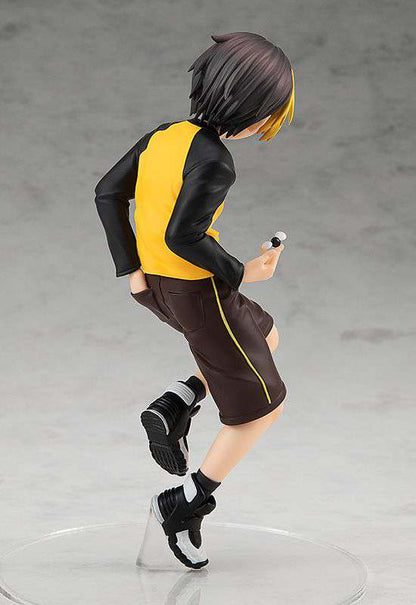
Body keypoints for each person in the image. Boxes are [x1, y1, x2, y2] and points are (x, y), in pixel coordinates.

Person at [94, 31, 295, 569]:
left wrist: (131, 270)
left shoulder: (163, 136)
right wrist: (244, 271)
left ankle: (178, 400)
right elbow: (184, 235)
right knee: (262, 406)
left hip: (159, 287)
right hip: (201, 293)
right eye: (268, 113)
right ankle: (186, 503)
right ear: (249, 105)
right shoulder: (217, 161)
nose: (266, 125)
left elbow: (107, 192)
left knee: (268, 335)